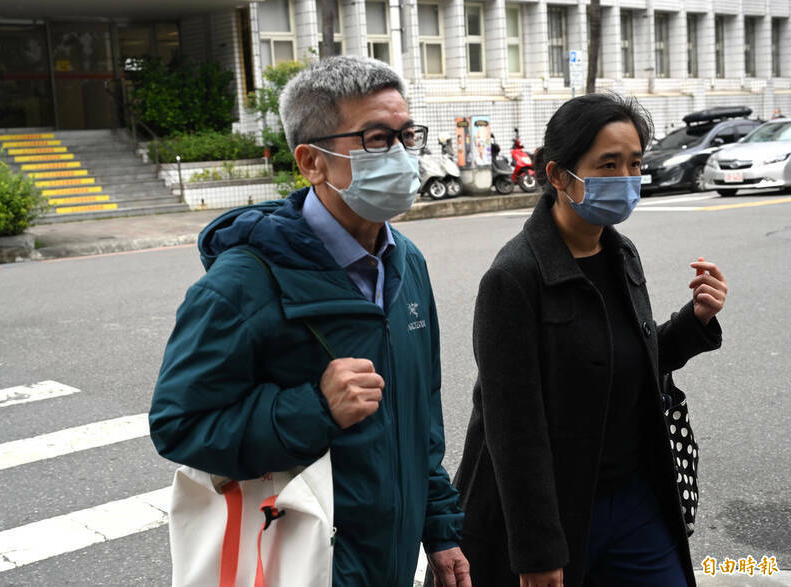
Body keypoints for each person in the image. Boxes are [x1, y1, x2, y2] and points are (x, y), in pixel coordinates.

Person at [149, 55, 469, 586]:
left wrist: (440, 526)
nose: (401, 155)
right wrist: (314, 408)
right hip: (305, 560)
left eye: (406, 136)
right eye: (375, 139)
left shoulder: (406, 261)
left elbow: (421, 416)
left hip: (392, 561)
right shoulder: (241, 284)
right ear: (311, 162)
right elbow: (179, 425)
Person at [453, 93, 727, 587]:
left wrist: (695, 321)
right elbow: (513, 429)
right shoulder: (514, 278)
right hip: (557, 511)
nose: (626, 177)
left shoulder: (620, 253)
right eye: (608, 164)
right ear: (559, 176)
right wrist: (537, 551)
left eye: (635, 163)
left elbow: (623, 361)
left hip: (634, 499)